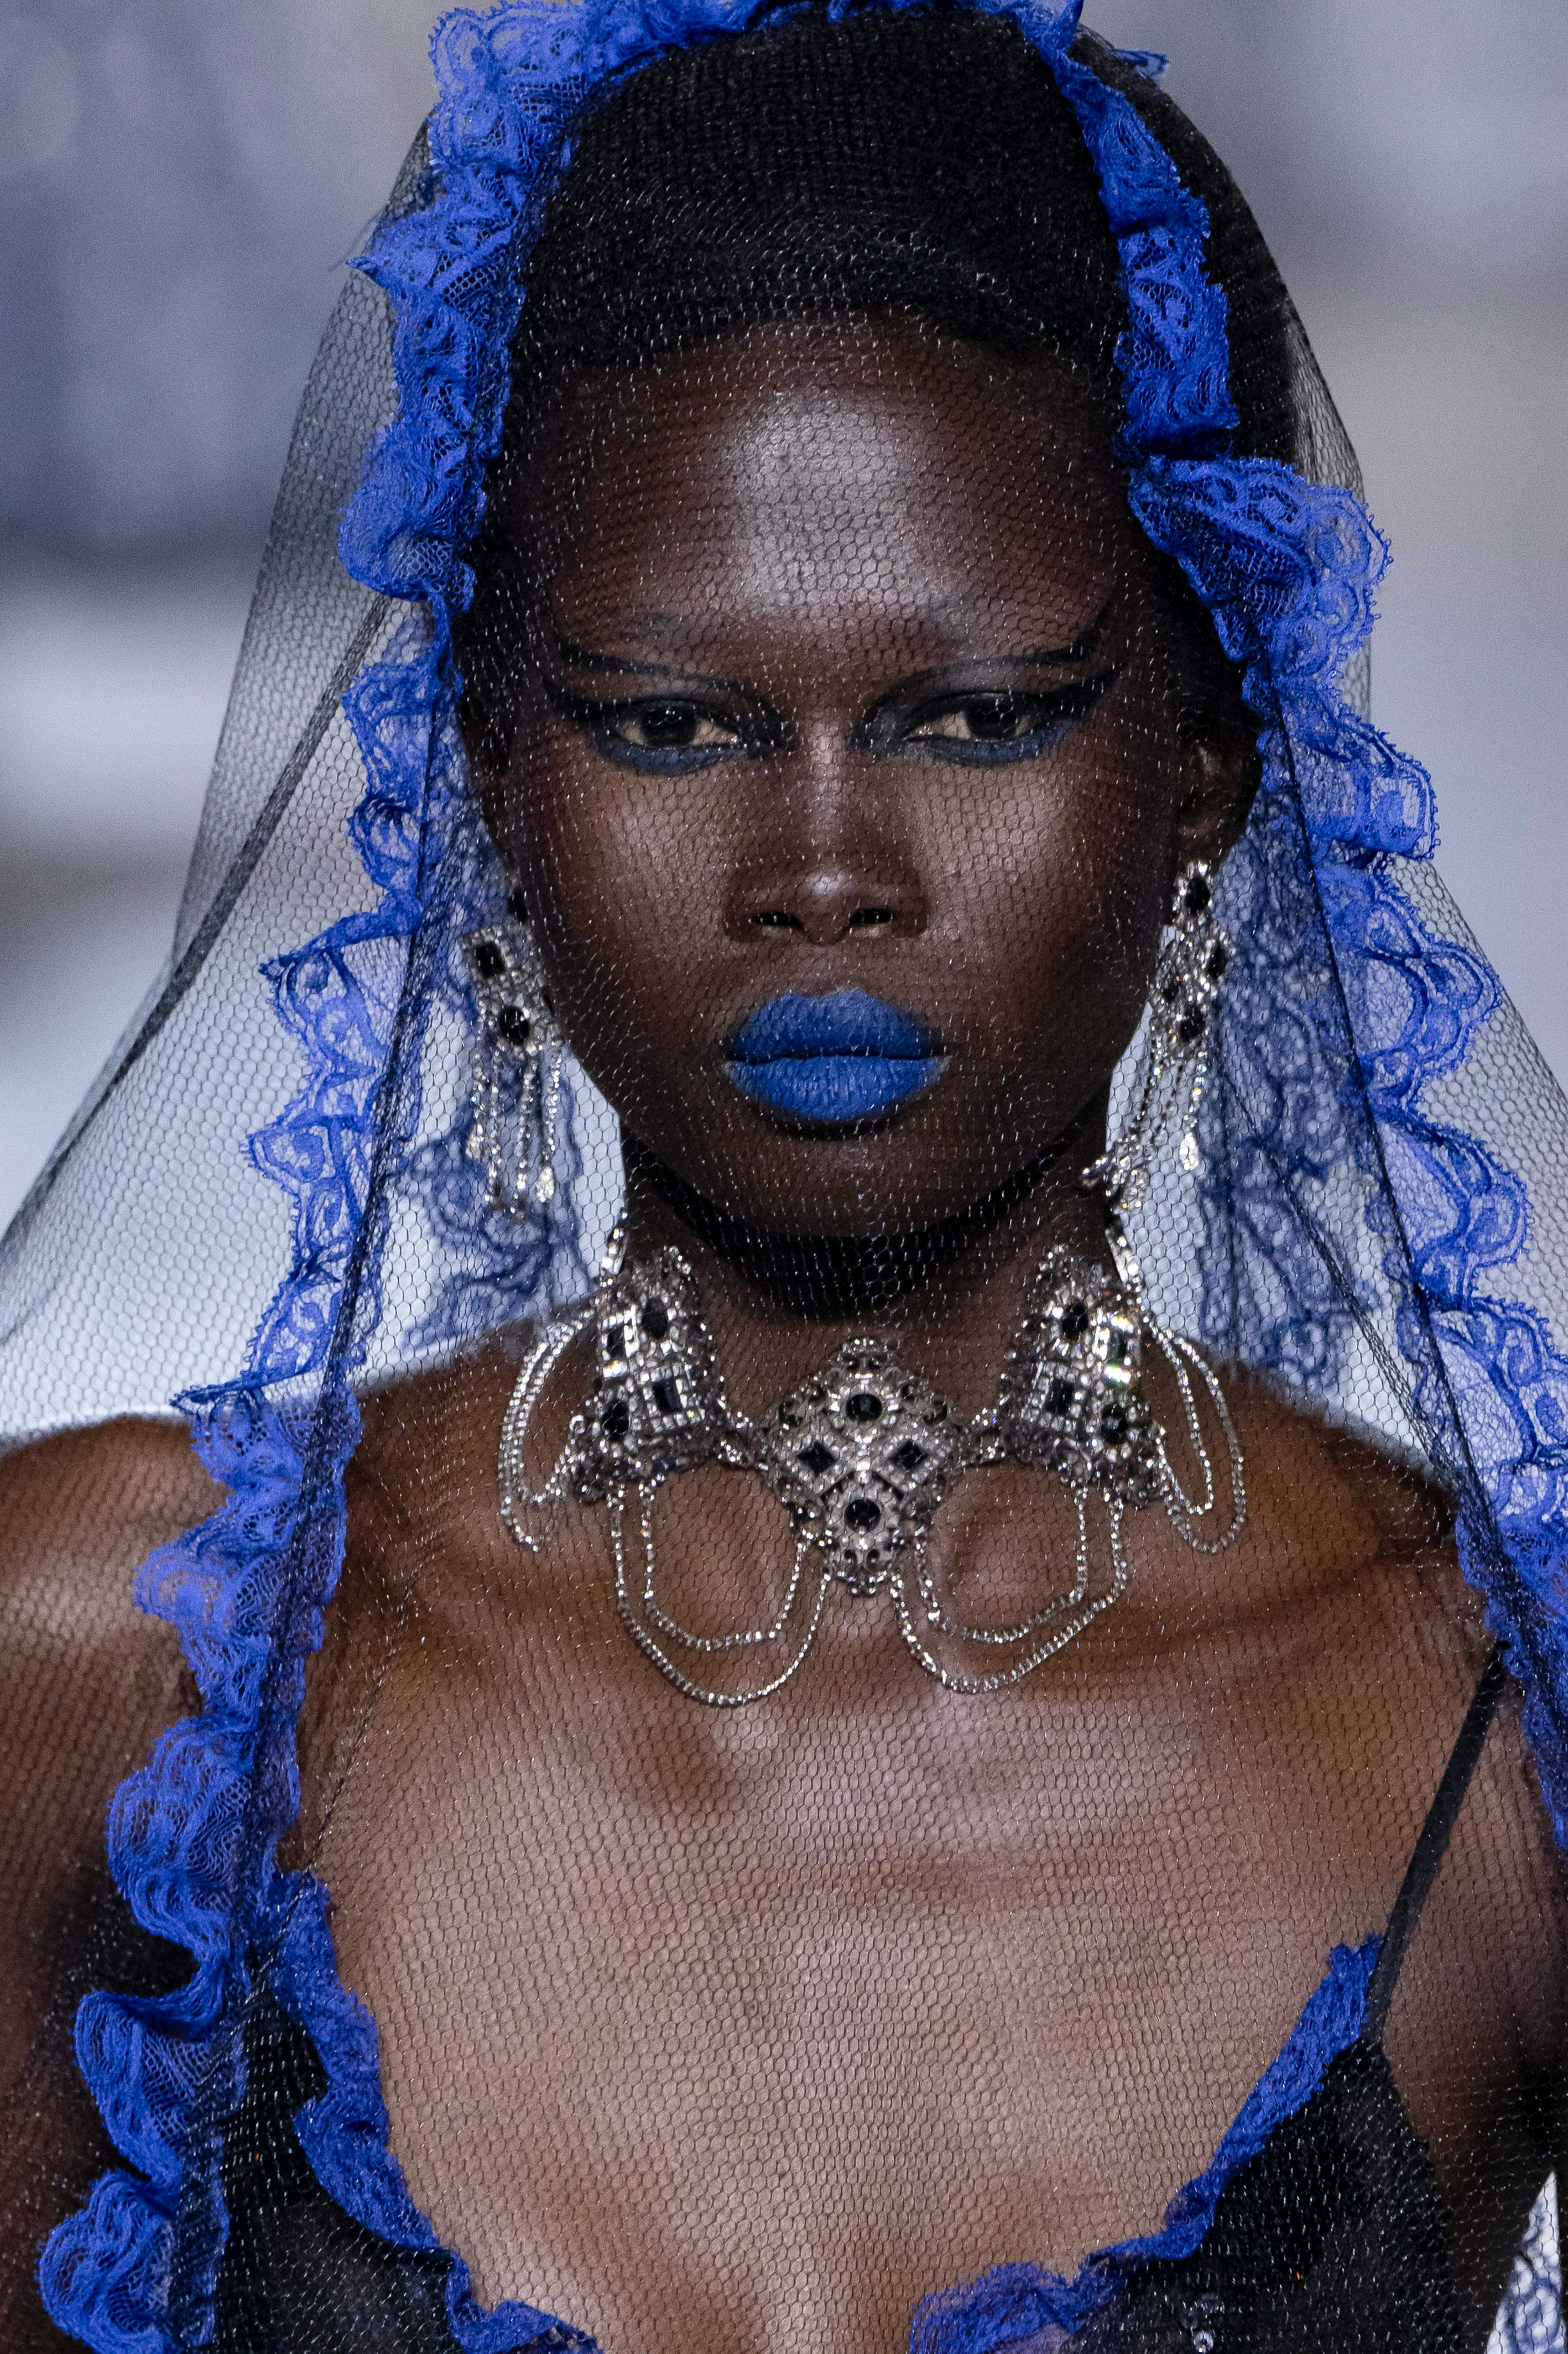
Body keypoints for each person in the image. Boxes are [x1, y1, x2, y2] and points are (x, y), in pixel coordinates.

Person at [2, 3, 1565, 2349]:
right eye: (671, 722)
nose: (822, 864)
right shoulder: (95, 1665)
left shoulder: (1498, 1733)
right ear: (494, 790)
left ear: (1210, 759)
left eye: (978, 714)